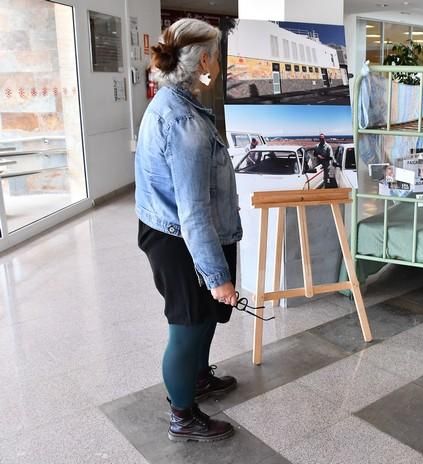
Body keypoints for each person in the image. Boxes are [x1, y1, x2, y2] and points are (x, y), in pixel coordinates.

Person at [135, 18, 242, 442]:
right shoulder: (184, 124)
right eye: (214, 55)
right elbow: (194, 212)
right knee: (188, 325)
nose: (217, 63)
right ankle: (183, 415)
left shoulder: (173, 103)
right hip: (181, 239)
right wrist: (219, 278)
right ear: (201, 60)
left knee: (204, 319)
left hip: (178, 232)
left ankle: (197, 378)